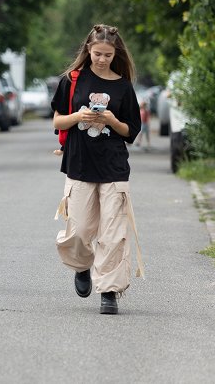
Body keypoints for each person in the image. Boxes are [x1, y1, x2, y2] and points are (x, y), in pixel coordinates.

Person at [51, 24, 144, 315]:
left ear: (116, 54)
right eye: (97, 53)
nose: (102, 59)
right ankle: (81, 266)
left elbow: (131, 130)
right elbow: (57, 121)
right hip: (79, 164)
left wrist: (112, 121)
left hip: (114, 167)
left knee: (113, 233)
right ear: (88, 50)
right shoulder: (72, 80)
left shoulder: (123, 86)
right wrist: (78, 115)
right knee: (78, 230)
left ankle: (110, 291)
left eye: (107, 54)